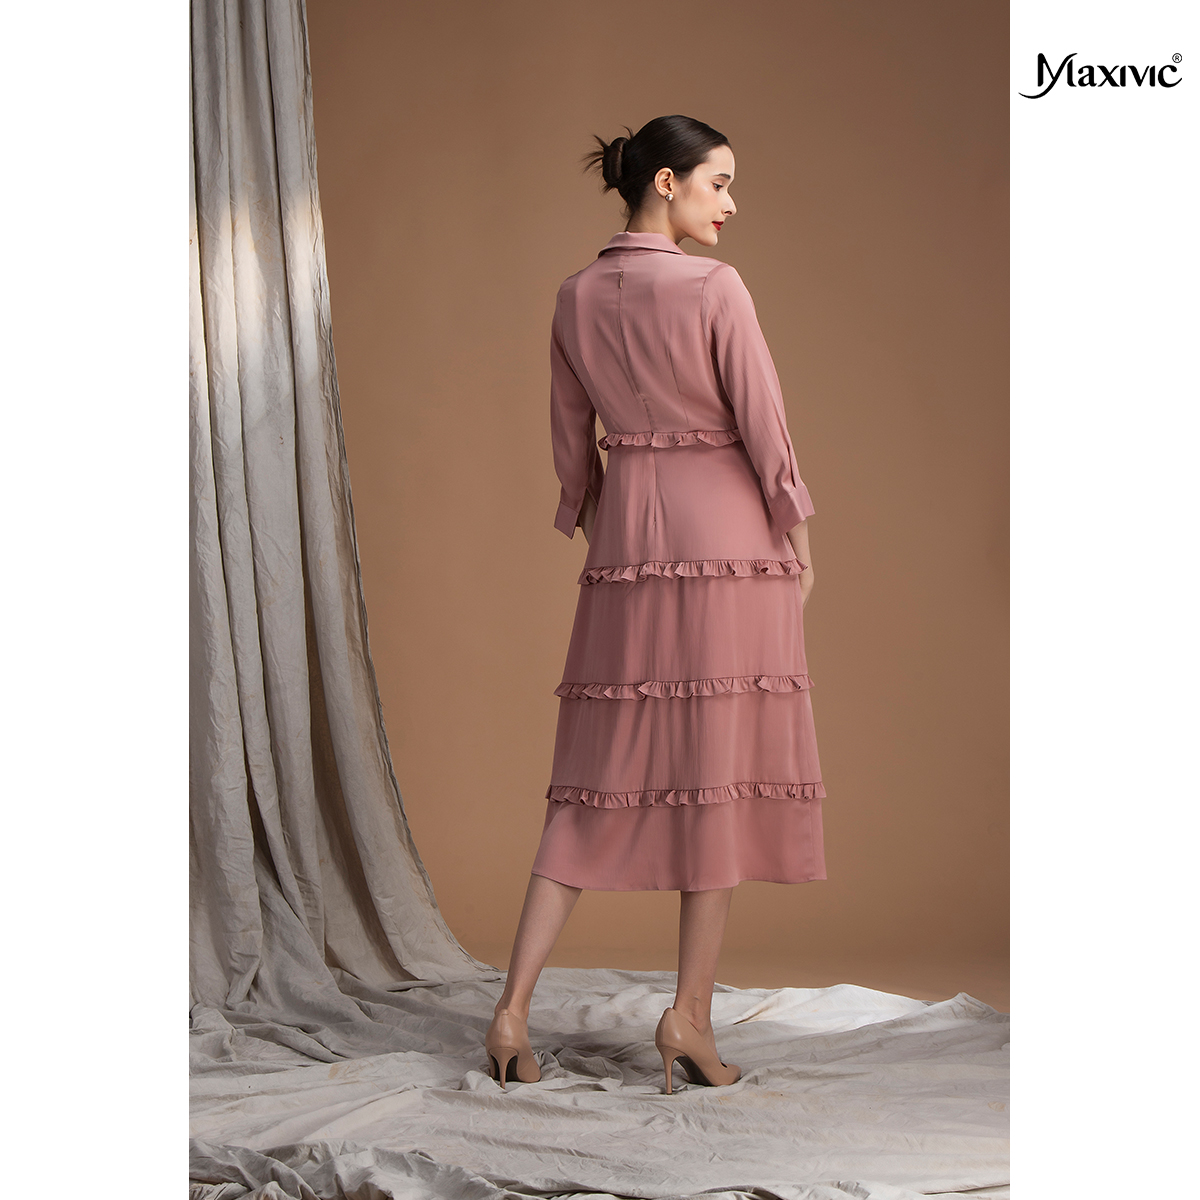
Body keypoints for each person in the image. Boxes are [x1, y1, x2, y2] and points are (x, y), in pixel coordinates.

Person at [484, 115, 826, 1095]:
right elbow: (764, 423)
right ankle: (689, 1018)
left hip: (628, 543)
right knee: (713, 776)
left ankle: (510, 1011)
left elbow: (572, 447)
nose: (731, 203)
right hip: (729, 540)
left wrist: (614, 536)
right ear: (667, 183)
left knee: (592, 780)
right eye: (719, 182)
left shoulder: (574, 295)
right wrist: (797, 538)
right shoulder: (715, 287)